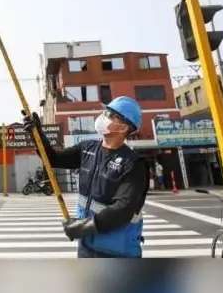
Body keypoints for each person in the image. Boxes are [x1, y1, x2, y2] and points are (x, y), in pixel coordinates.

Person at [22, 96, 150, 258]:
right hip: (87, 246)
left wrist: (82, 227)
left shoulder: (132, 164)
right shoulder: (87, 148)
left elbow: (123, 209)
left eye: (110, 115)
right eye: (105, 112)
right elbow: (53, 159)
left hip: (118, 251)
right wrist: (37, 135)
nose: (103, 116)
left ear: (123, 128)